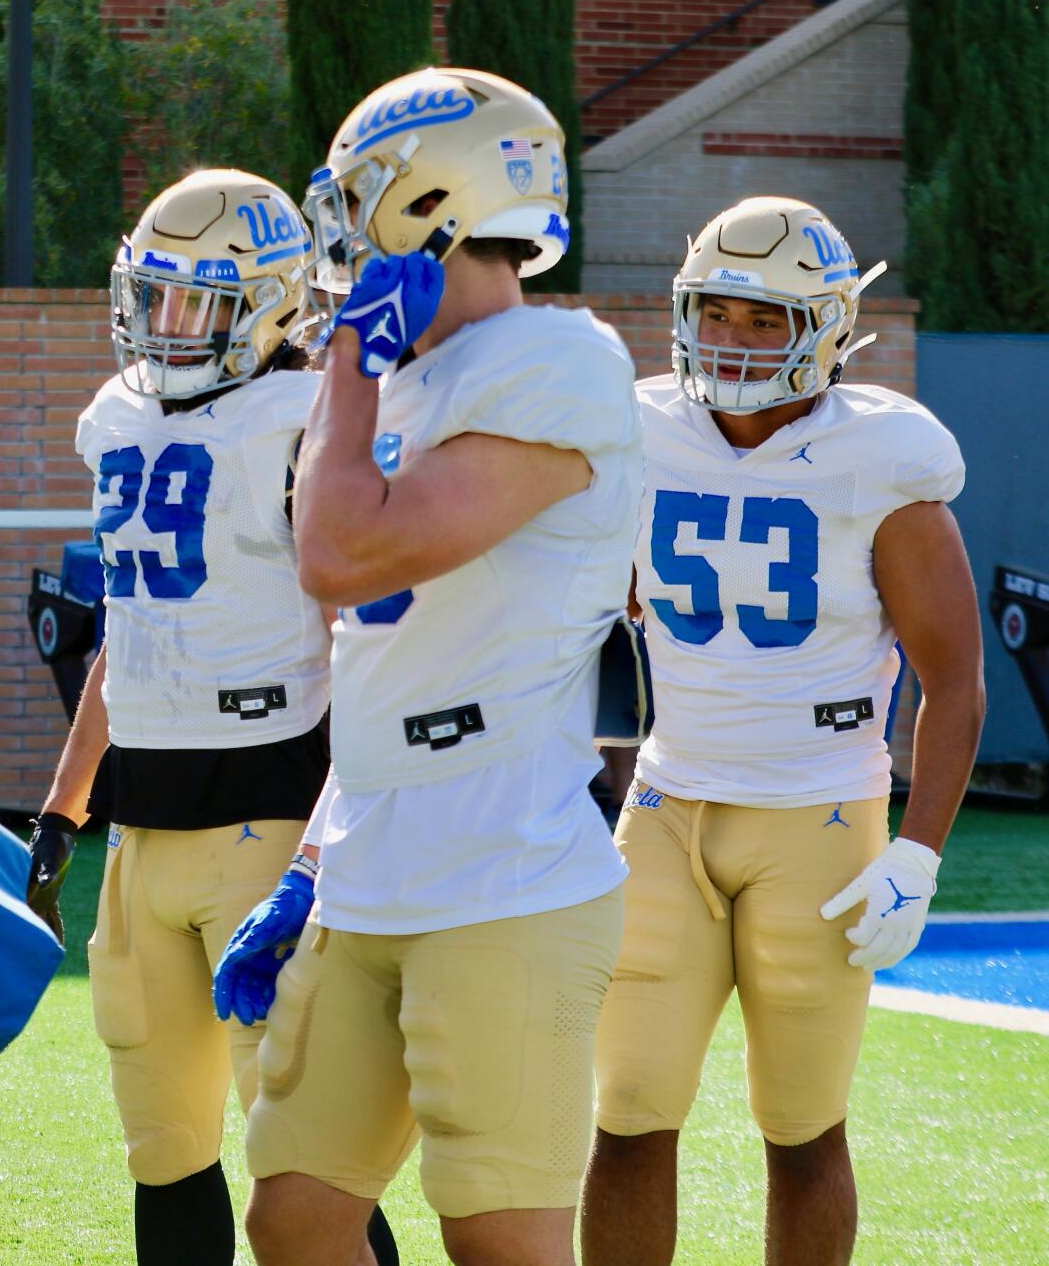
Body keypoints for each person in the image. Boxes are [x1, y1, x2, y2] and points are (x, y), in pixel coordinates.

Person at [219, 68, 641, 1266]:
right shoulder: (405, 370)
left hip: (499, 871)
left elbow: (340, 555)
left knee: (498, 1242)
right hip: (371, 856)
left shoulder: (554, 360)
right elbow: (381, 665)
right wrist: (309, 860)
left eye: (358, 202)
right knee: (295, 1218)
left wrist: (349, 354)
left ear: (426, 202)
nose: (338, 239)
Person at [582, 197, 984, 1266]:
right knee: (623, 1110)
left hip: (816, 818)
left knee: (802, 1125)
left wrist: (915, 851)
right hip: (664, 809)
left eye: (765, 320)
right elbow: (582, 622)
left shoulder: (881, 454)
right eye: (717, 313)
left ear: (825, 330)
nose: (733, 339)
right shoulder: (638, 426)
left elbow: (953, 677)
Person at [23, 168, 393, 1266]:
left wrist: (327, 849)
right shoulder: (118, 416)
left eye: (205, 303)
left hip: (267, 822)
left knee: (305, 1158)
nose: (171, 328)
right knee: (163, 1148)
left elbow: (367, 648)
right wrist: (59, 812)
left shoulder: (301, 420)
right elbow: (125, 636)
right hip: (142, 836)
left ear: (276, 302)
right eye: (158, 297)